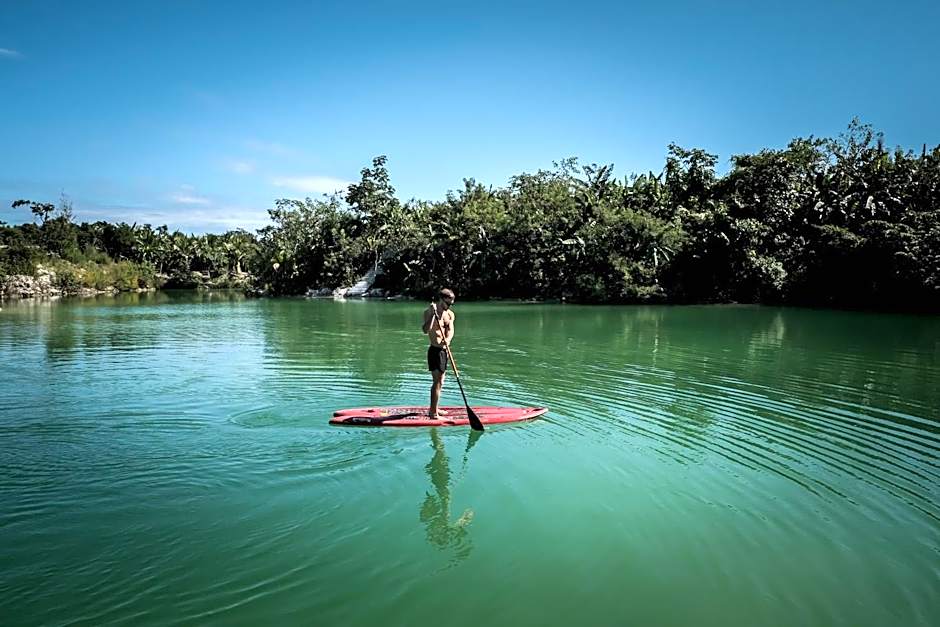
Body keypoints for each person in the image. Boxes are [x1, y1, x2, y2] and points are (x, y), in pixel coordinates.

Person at [422, 288, 456, 419]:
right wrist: (433, 316)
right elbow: (425, 330)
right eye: (448, 303)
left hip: (444, 350)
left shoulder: (450, 314)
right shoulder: (429, 311)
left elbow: (451, 330)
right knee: (436, 382)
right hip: (434, 350)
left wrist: (447, 340)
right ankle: (433, 413)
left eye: (452, 304)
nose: (450, 306)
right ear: (441, 300)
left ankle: (435, 407)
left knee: (441, 381)